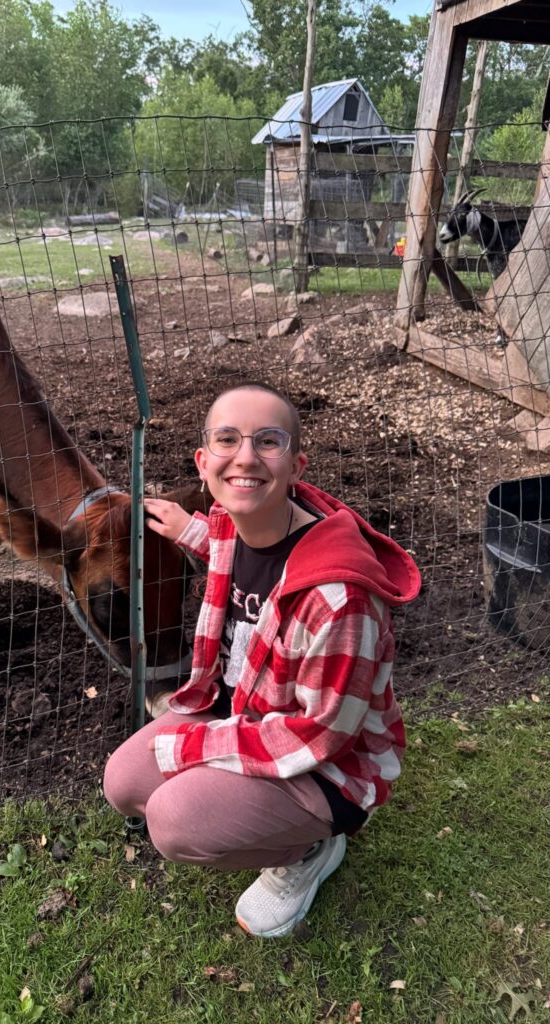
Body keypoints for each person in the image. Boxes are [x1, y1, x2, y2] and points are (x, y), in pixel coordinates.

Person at [103, 382, 421, 938]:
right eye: (227, 440)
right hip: (246, 706)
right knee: (123, 783)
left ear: (297, 464)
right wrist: (186, 530)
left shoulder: (340, 600)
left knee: (173, 822)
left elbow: (319, 735)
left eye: (266, 441)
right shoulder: (235, 526)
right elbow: (231, 552)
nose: (245, 456)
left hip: (330, 766)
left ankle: (310, 849)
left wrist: (196, 747)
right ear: (204, 464)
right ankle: (242, 800)